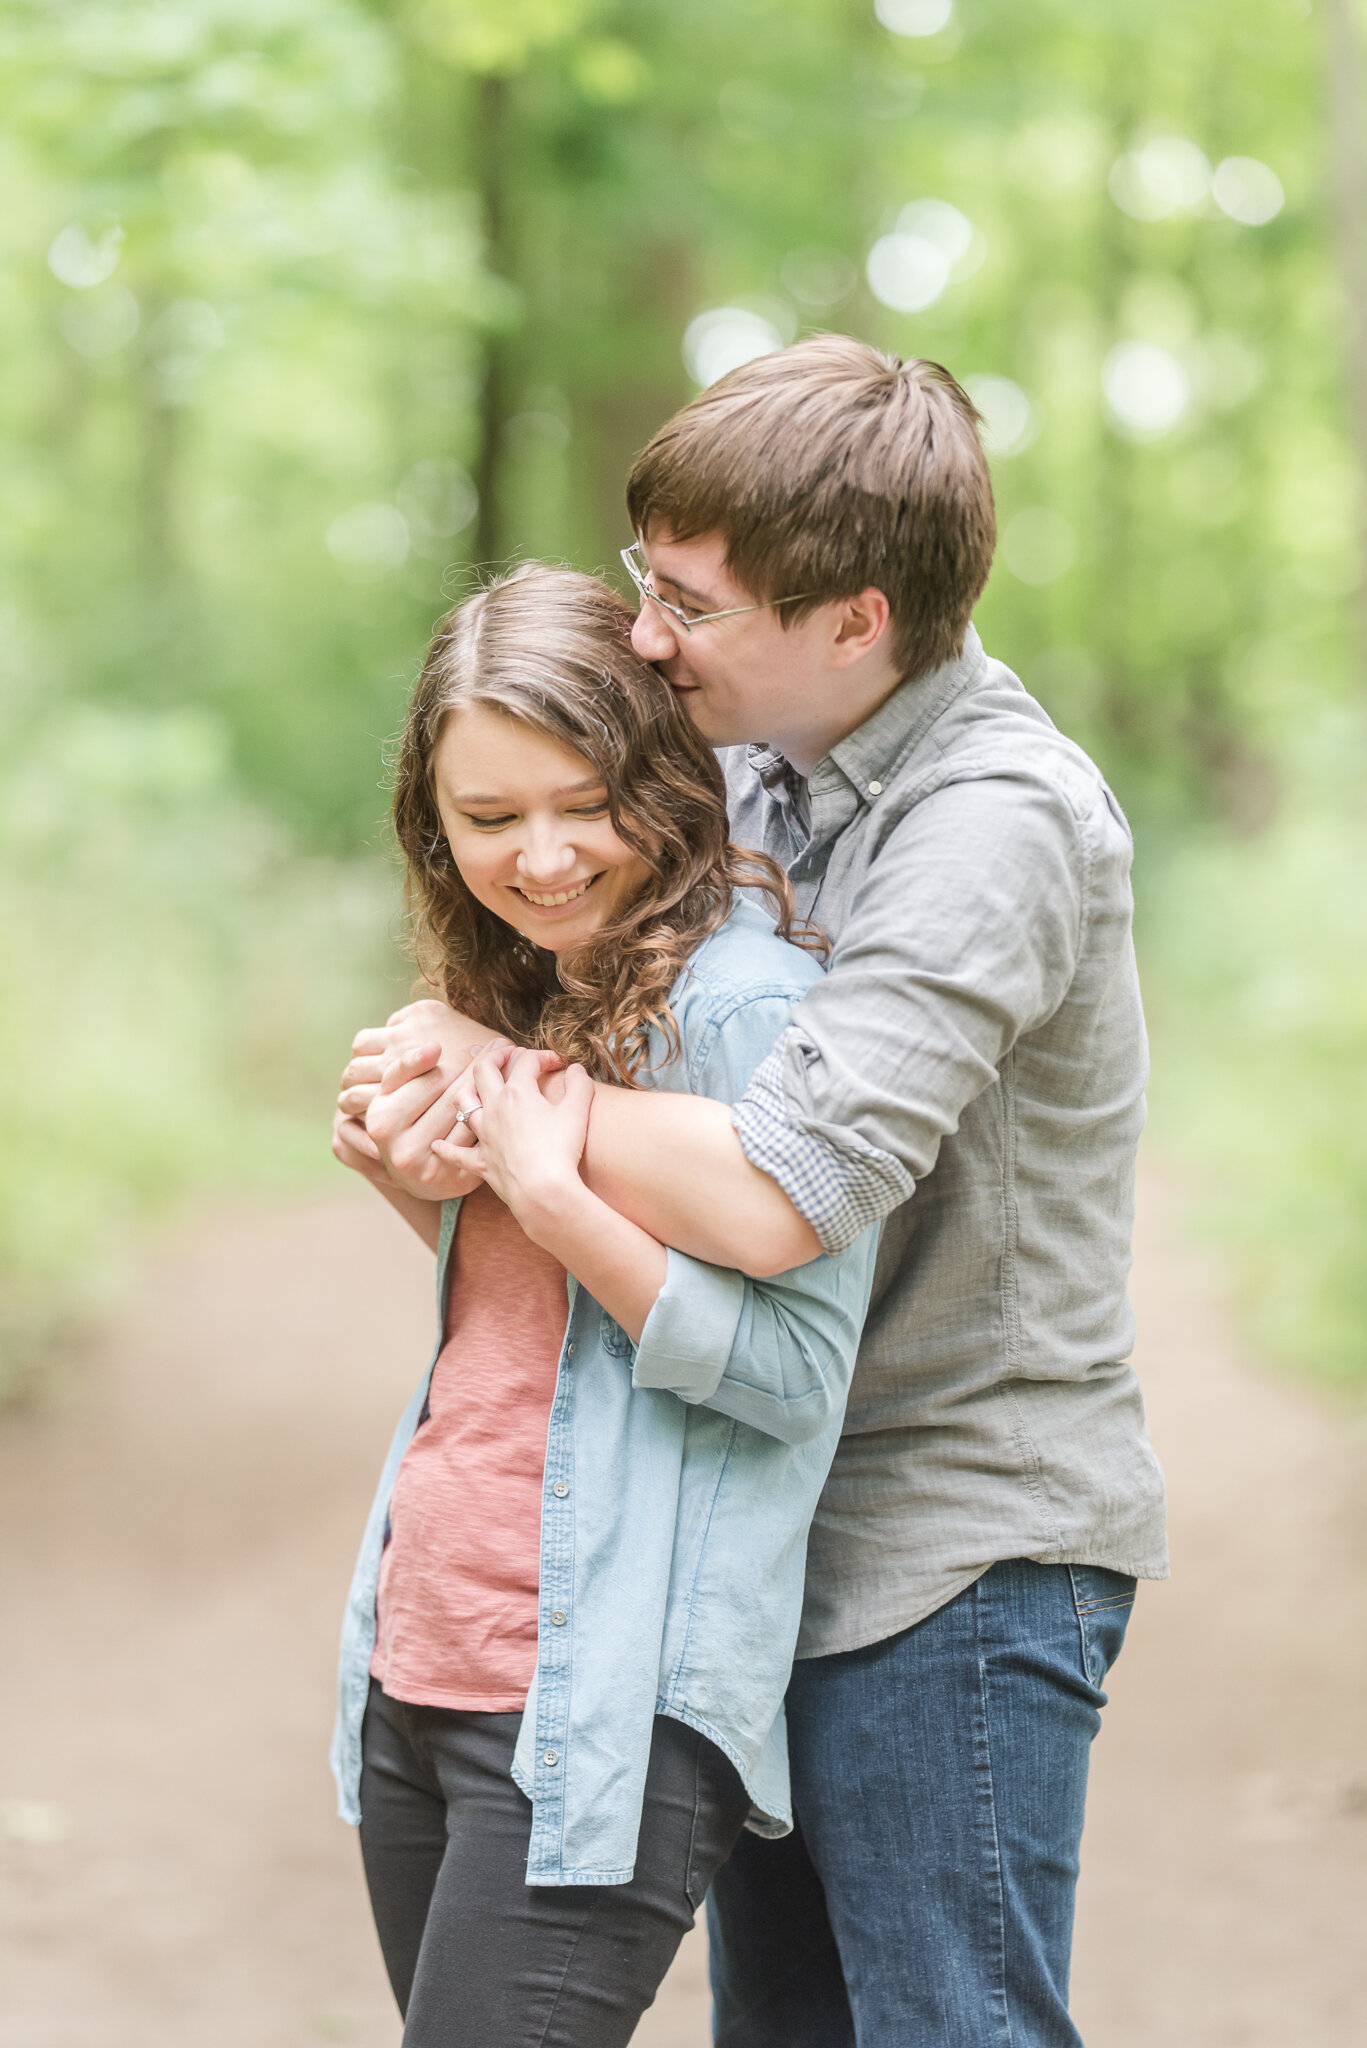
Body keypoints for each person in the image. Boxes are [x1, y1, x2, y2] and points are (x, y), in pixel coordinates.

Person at [336, 338, 1168, 2047]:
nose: (648, 636)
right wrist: (442, 1154)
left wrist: (493, 1086)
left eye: (690, 605)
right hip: (745, 1523)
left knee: (953, 2025)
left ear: (853, 617)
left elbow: (779, 1188)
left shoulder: (992, 823)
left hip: (948, 1533)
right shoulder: (760, 765)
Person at [329, 561, 878, 2048]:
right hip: (423, 1658)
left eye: (585, 801)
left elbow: (789, 1380)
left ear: (664, 781)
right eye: (489, 819)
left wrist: (555, 1193)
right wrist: (419, 1182)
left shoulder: (741, 1007)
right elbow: (533, 1347)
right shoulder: (522, 986)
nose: (545, 856)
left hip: (599, 1703)